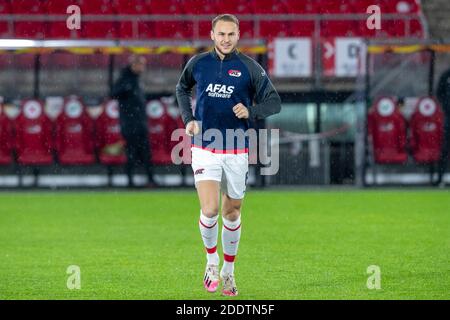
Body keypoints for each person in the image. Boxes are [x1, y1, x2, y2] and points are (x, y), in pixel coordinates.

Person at [176, 14, 281, 296]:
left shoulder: (249, 67)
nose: (226, 39)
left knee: (231, 212)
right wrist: (188, 118)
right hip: (204, 145)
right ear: (212, 35)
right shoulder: (198, 63)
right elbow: (181, 88)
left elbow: (274, 101)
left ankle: (229, 272)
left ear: (238, 36)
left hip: (236, 148)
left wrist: (252, 112)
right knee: (210, 209)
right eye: (221, 34)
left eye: (231, 34)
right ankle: (211, 262)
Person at [111, 55, 155, 188]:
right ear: (133, 65)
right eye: (140, 65)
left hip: (140, 123)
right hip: (130, 125)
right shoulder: (126, 79)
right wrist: (127, 88)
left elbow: (142, 97)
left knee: (145, 153)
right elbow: (113, 93)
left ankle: (149, 180)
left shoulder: (136, 80)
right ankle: (131, 181)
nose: (142, 68)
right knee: (131, 153)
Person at [436, 68, 450, 186]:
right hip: (449, 117)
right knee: (445, 148)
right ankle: (440, 179)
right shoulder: (446, 75)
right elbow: (439, 93)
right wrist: (446, 105)